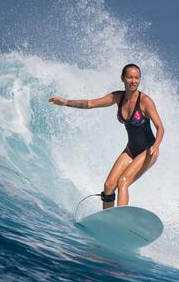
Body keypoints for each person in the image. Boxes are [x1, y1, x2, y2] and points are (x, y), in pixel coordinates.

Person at [48, 64, 164, 209]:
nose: (133, 81)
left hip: (148, 151)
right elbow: (90, 103)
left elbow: (160, 127)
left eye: (137, 77)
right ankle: (108, 218)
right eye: (129, 77)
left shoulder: (145, 101)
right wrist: (65, 102)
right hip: (131, 150)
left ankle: (121, 219)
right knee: (108, 185)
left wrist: (156, 145)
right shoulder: (118, 97)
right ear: (122, 78)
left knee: (123, 181)